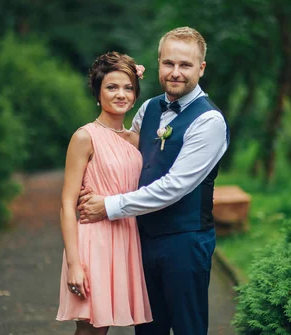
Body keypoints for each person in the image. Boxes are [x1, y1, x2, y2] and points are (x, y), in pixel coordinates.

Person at [78, 27, 229, 335]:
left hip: (185, 242)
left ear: (201, 68)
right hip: (142, 239)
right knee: (148, 329)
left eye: (185, 65)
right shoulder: (147, 109)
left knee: (188, 328)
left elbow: (174, 186)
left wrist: (108, 206)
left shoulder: (209, 121)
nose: (175, 73)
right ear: (158, 63)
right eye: (169, 63)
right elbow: (123, 149)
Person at [56, 52, 152, 334]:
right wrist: (74, 263)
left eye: (128, 87)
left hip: (126, 238)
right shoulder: (85, 137)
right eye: (112, 87)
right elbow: (66, 202)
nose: (121, 94)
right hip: (94, 241)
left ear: (135, 94)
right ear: (98, 93)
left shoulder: (136, 140)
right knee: (90, 329)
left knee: (105, 325)